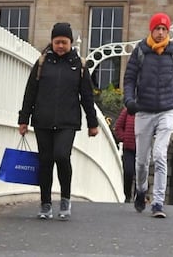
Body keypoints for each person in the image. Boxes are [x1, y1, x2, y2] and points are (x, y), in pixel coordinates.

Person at [18, 22, 99, 220]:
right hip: (42, 120)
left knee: (62, 156)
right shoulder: (42, 63)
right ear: (52, 42)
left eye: (64, 42)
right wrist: (23, 119)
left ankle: (65, 198)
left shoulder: (79, 65)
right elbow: (30, 93)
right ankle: (45, 203)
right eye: (57, 42)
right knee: (45, 161)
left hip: (67, 121)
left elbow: (87, 96)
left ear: (70, 42)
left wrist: (92, 123)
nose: (60, 46)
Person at [123, 12, 173, 218]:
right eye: (157, 29)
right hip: (143, 110)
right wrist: (129, 101)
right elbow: (129, 79)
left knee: (160, 155)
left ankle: (158, 202)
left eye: (164, 29)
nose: (160, 33)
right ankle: (141, 190)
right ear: (151, 30)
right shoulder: (140, 52)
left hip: (167, 110)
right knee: (141, 161)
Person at [113, 107, 136, 202]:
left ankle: (138, 196)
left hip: (143, 149)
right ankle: (127, 195)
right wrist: (124, 138)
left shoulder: (148, 111)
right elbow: (118, 127)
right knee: (128, 172)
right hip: (129, 149)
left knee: (141, 174)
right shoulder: (128, 110)